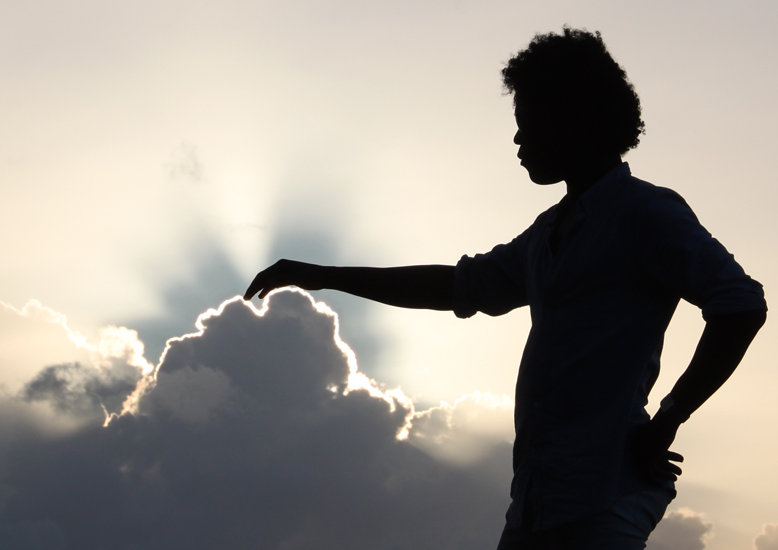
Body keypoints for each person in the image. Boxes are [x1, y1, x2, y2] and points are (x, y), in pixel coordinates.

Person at [243, 27, 766, 550]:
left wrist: (669, 419)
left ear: (574, 120)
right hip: (538, 501)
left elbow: (741, 306)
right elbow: (459, 285)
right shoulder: (547, 234)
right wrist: (325, 276)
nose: (518, 142)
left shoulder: (646, 214)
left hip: (606, 496)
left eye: (529, 125)